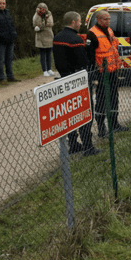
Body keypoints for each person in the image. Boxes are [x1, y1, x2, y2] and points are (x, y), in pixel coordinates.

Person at [52, 12, 99, 156]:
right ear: (73, 22)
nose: (80, 25)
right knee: (85, 114)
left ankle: (73, 144)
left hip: (64, 80)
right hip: (78, 81)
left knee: (70, 115)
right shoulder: (76, 40)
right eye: (79, 22)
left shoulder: (57, 38)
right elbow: (83, 62)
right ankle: (88, 146)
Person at [87, 11, 128, 137]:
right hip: (101, 73)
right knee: (101, 100)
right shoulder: (92, 33)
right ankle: (101, 128)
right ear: (99, 19)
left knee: (114, 97)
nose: (108, 21)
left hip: (113, 71)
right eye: (105, 19)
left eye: (109, 19)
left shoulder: (109, 31)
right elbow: (90, 56)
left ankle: (114, 124)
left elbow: (113, 48)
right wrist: (93, 74)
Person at [34, 2, 56, 77]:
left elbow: (50, 23)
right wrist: (40, 26)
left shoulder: (49, 14)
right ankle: (44, 70)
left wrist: (43, 25)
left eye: (44, 9)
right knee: (43, 53)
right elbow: (36, 24)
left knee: (49, 53)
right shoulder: (36, 15)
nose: (42, 10)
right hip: (41, 37)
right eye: (41, 9)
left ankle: (49, 69)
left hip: (49, 35)